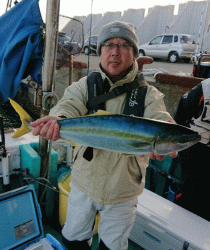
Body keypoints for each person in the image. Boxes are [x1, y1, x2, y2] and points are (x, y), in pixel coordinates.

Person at [31, 21, 177, 250]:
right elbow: (68, 104)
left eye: (124, 45)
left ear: (134, 53)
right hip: (84, 182)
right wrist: (57, 118)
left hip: (123, 192)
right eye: (108, 45)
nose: (115, 52)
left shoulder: (149, 95)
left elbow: (159, 118)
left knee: (113, 247)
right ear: (100, 52)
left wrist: (166, 131)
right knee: (73, 239)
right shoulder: (84, 86)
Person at [174, 70, 210, 232]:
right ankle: (177, 236)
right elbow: (179, 119)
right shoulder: (203, 90)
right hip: (195, 155)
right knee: (187, 201)